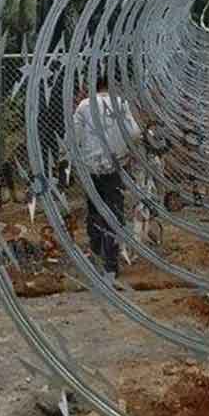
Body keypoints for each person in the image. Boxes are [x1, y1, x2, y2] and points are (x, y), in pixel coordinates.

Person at [72, 73, 141, 276]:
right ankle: (111, 264)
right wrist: (122, 147)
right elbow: (135, 132)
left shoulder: (84, 106)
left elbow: (74, 136)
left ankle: (95, 255)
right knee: (113, 211)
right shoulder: (121, 103)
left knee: (94, 210)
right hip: (114, 166)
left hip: (91, 167)